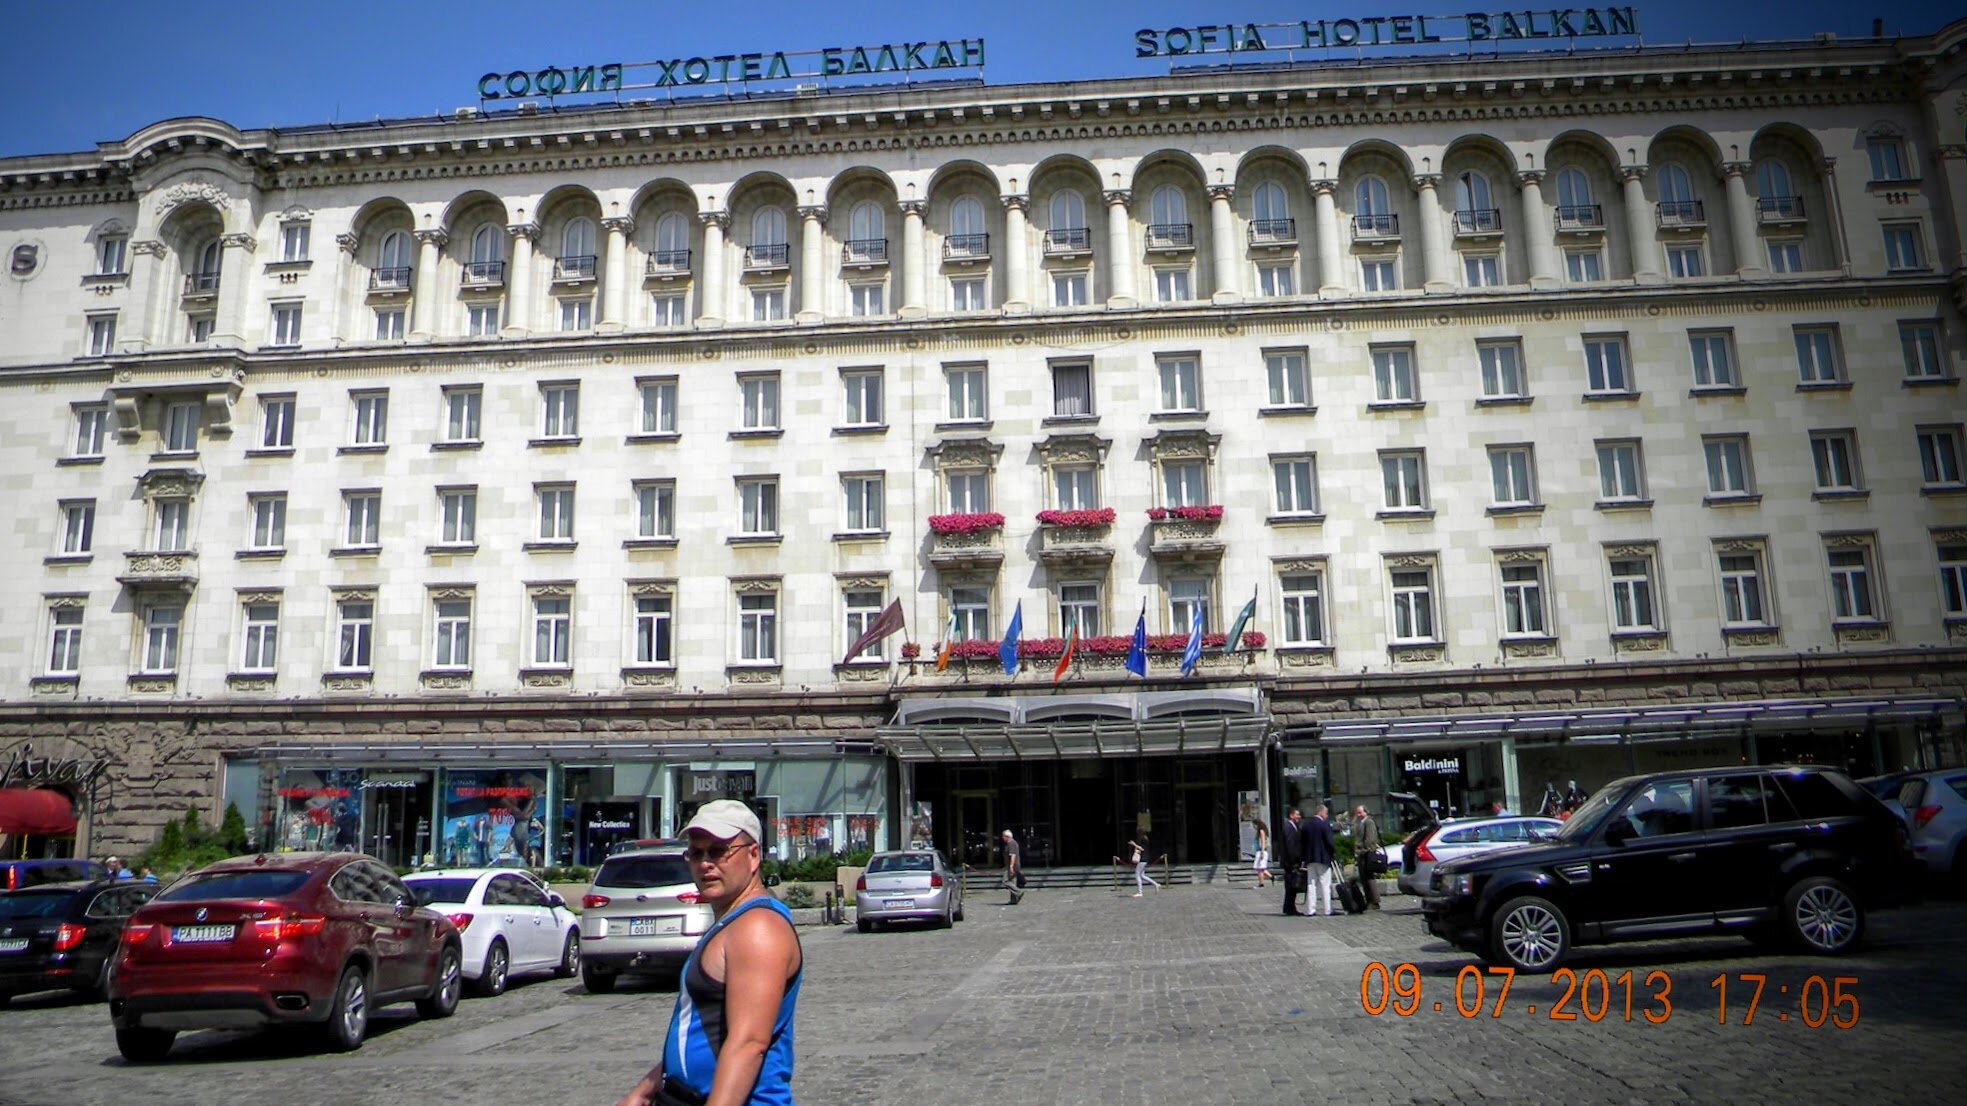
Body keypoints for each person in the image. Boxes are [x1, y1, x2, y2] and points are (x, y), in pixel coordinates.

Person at [614, 799, 802, 1106]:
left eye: (718, 851)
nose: (705, 863)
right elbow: (704, 1033)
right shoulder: (732, 923)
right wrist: (645, 1089)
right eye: (696, 853)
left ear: (753, 855)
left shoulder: (758, 928)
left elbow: (748, 1044)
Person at [1303, 805, 1338, 917]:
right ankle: (1327, 909)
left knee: (1311, 884)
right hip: (1323, 858)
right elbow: (1329, 842)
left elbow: (1302, 842)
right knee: (1325, 884)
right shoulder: (1324, 825)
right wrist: (1333, 854)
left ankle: (1310, 909)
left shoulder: (1306, 825)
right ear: (1322, 812)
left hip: (1310, 858)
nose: (1327, 816)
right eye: (1326, 814)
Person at [1350, 805, 1381, 911]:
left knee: (1369, 878)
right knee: (1364, 879)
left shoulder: (1369, 822)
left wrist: (1365, 850)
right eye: (1357, 813)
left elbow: (1370, 839)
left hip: (1366, 854)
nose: (1358, 815)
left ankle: (1374, 901)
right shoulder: (1361, 822)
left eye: (1360, 812)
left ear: (1365, 812)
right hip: (1361, 854)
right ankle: (1369, 900)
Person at [1278, 808, 1305, 915]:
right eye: (1297, 815)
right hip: (1290, 863)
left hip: (1290, 862)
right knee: (1291, 885)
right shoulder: (1288, 828)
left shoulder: (1293, 827)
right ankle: (1289, 908)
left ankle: (1289, 907)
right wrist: (1295, 860)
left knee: (1292, 886)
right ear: (1291, 815)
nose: (1299, 817)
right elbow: (1290, 846)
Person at [1001, 829, 1024, 905]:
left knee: (1005, 881)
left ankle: (1018, 892)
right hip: (1013, 865)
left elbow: (1013, 855)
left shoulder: (1011, 843)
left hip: (1012, 866)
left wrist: (1011, 866)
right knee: (1012, 882)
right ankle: (1014, 900)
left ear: (1007, 836)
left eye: (1003, 836)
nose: (1002, 838)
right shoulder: (1010, 843)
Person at [1251, 819, 1271, 889]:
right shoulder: (1260, 832)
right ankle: (1271, 877)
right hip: (1259, 851)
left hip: (1261, 851)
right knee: (1259, 868)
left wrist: (1262, 852)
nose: (1253, 826)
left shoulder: (1261, 831)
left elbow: (1263, 842)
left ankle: (1261, 884)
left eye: (1254, 824)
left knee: (1260, 869)